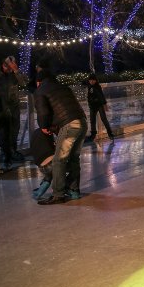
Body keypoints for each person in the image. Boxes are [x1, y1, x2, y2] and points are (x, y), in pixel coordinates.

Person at [34, 69, 88, 205]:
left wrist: (44, 126)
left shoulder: (41, 90)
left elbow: (43, 113)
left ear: (38, 82)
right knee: (74, 158)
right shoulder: (63, 86)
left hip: (69, 126)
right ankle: (74, 190)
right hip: (82, 122)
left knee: (59, 160)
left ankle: (58, 194)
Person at [0, 55, 27, 161]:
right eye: (9, 66)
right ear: (4, 65)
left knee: (14, 129)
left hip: (13, 106)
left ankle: (13, 151)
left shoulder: (15, 73)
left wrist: (16, 70)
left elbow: (24, 82)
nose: (10, 69)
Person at [84, 73, 114, 142]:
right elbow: (84, 82)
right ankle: (93, 135)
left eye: (93, 80)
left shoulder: (97, 87)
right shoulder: (88, 86)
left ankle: (110, 133)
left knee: (104, 119)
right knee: (92, 120)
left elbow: (101, 96)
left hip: (99, 105)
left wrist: (105, 104)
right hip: (92, 106)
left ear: (96, 81)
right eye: (90, 80)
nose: (91, 82)